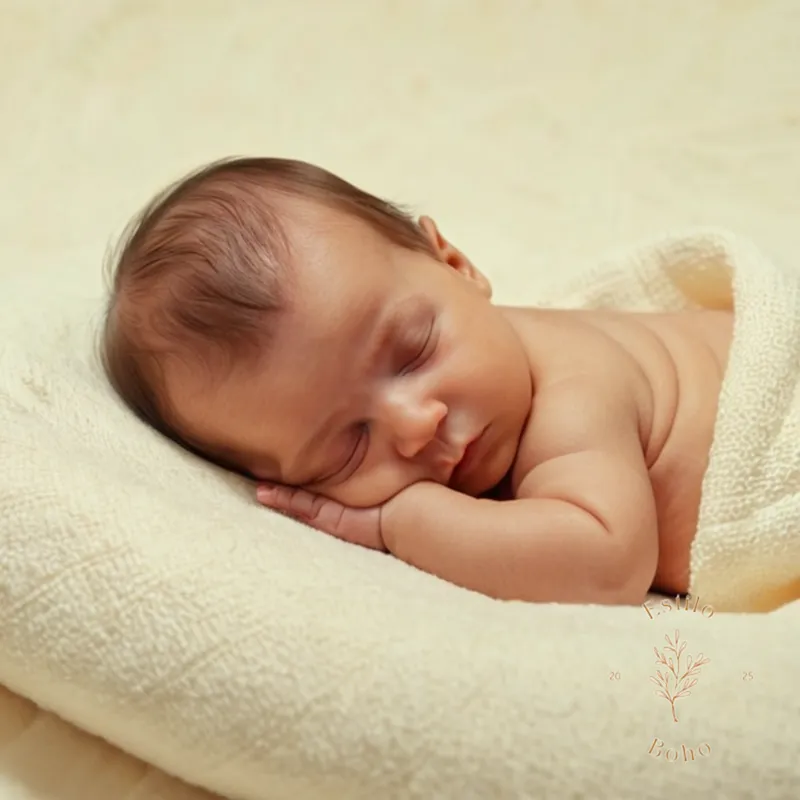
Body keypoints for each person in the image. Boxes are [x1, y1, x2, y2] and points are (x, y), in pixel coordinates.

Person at [101, 157, 734, 605]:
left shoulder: (575, 393)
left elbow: (608, 566)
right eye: (347, 447)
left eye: (412, 354)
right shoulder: (485, 372)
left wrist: (400, 523)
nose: (415, 424)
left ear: (455, 265)